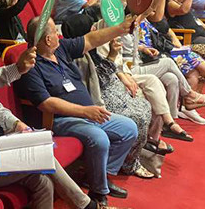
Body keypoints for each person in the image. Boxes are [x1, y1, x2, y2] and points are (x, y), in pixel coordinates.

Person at [0, 34, 103, 209]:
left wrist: (18, 125)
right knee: (43, 157)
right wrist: (17, 69)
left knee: (43, 182)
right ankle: (87, 206)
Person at [16, 15, 139, 205]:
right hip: (60, 119)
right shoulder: (30, 65)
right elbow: (46, 103)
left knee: (129, 128)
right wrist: (85, 111)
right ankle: (99, 192)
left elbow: (91, 39)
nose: (59, 35)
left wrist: (121, 28)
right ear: (47, 39)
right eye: (55, 32)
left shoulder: (60, 49)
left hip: (88, 113)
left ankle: (98, 176)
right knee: (99, 138)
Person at [63, 15, 156, 179]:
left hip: (111, 88)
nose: (94, 29)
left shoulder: (93, 48)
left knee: (144, 105)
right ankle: (127, 163)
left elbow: (108, 69)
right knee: (138, 116)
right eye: (90, 27)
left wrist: (118, 68)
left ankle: (131, 156)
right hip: (98, 98)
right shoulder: (76, 56)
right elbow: (98, 82)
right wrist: (112, 56)